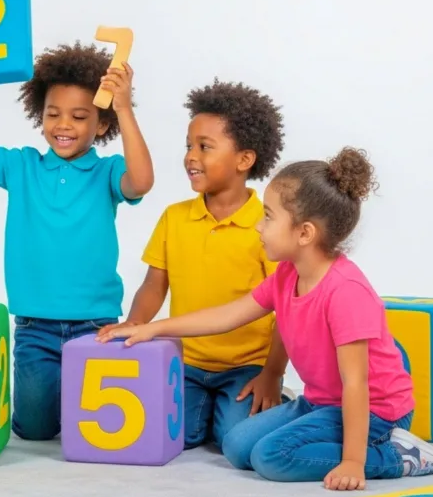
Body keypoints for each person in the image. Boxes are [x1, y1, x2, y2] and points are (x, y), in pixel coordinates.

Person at [102, 148, 433, 490]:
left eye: (268, 217)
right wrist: (153, 329)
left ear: (305, 233)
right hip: (321, 401)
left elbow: (356, 384)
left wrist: (353, 462)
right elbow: (227, 316)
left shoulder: (346, 291)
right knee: (236, 446)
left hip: (375, 410)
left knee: (271, 457)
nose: (258, 226)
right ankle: (335, 439)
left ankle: (397, 456)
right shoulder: (286, 275)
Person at [0, 42, 155, 440]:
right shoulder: (21, 165)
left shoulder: (109, 171)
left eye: (79, 116)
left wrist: (124, 108)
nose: (63, 125)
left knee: (94, 430)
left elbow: (142, 181)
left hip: (95, 325)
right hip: (34, 325)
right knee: (35, 431)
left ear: (102, 125)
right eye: (53, 114)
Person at [99, 79, 292, 452]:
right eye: (189, 146)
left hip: (246, 366)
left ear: (244, 159)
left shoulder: (266, 227)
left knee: (233, 440)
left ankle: (283, 402)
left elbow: (285, 310)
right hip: (184, 362)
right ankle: (210, 411)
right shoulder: (175, 218)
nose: (191, 156)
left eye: (205, 147)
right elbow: (154, 284)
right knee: (176, 436)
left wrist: (272, 373)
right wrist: (134, 323)